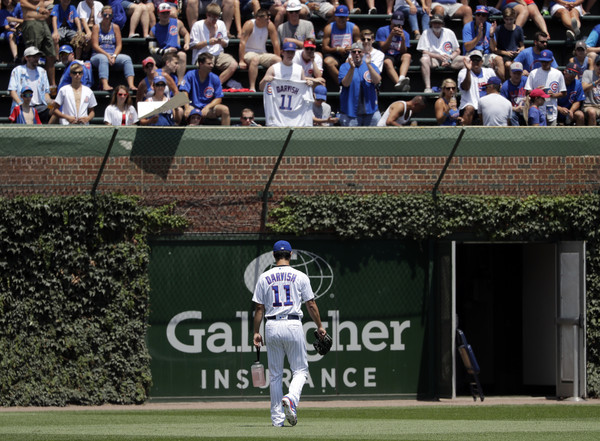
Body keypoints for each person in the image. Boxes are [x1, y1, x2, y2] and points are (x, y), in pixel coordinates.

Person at [252, 240, 326, 428]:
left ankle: (277, 420)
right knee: (300, 370)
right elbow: (311, 304)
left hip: (272, 325)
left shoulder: (264, 277)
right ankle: (291, 398)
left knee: (275, 375)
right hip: (293, 324)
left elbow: (259, 308)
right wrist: (319, 326)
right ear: (291, 254)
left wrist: (256, 332)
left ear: (274, 255)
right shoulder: (300, 275)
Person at [260, 41, 315, 127]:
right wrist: (265, 81)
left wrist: (308, 83)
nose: (290, 54)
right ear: (282, 52)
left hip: (295, 114)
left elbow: (304, 88)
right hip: (277, 113)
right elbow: (261, 87)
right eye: (288, 52)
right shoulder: (274, 68)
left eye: (292, 52)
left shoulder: (299, 69)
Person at [189, 3, 239, 88]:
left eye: (217, 18)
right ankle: (203, 87)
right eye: (213, 18)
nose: (215, 20)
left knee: (233, 64)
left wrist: (221, 42)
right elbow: (193, 45)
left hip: (218, 53)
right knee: (205, 65)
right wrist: (208, 42)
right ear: (207, 15)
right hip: (203, 53)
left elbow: (225, 43)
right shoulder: (197, 25)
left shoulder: (221, 24)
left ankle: (215, 85)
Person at [90, 5, 137, 92]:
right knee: (103, 59)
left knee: (127, 59)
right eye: (105, 15)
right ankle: (105, 84)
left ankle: (131, 85)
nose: (107, 17)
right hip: (98, 55)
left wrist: (114, 56)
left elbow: (119, 45)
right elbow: (95, 45)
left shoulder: (115, 27)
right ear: (101, 15)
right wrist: (107, 55)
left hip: (112, 54)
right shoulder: (96, 27)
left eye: (110, 15)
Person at [417, 14, 464, 93]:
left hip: (449, 58)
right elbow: (424, 51)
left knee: (467, 59)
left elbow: (457, 50)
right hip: (434, 58)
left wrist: (449, 59)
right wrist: (438, 56)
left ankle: (462, 87)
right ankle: (428, 88)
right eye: (435, 23)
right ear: (431, 24)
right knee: (424, 59)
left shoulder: (449, 32)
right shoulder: (426, 33)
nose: (437, 25)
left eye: (439, 23)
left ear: (442, 24)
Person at [180, 52, 231, 125]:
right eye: (209, 64)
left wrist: (207, 107)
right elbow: (184, 92)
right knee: (189, 112)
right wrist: (187, 107)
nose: (211, 66)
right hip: (192, 106)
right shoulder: (190, 75)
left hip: (208, 108)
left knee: (225, 110)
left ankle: (226, 135)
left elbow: (218, 98)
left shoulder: (215, 78)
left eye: (212, 63)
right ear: (201, 64)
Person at [338, 41, 381, 126]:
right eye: (354, 52)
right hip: (350, 113)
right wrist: (352, 68)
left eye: (359, 51)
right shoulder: (345, 67)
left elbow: (377, 80)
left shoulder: (371, 65)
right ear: (351, 53)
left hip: (371, 112)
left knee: (373, 138)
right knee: (352, 139)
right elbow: (345, 84)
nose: (357, 54)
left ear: (363, 52)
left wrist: (368, 65)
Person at [238, 8, 281, 91]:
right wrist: (241, 60)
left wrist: (278, 56)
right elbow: (242, 42)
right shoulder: (249, 24)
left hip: (262, 53)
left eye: (269, 18)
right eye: (266, 19)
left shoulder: (269, 25)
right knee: (255, 59)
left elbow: (275, 42)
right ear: (258, 18)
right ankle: (252, 87)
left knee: (278, 60)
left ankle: (268, 83)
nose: (268, 21)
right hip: (249, 52)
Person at [8, 46, 54, 123]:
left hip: (40, 107)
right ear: (26, 58)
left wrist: (51, 103)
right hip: (23, 106)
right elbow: (12, 92)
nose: (37, 58)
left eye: (38, 56)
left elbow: (46, 93)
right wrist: (21, 105)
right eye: (34, 56)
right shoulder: (17, 70)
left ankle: (48, 131)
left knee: (56, 111)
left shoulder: (42, 72)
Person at [149, 3, 190, 84]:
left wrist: (187, 43)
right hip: (163, 53)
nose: (165, 15)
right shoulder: (154, 29)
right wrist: (166, 51)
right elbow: (151, 48)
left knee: (182, 55)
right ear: (158, 13)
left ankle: (179, 83)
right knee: (150, 61)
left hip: (176, 51)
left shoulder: (177, 23)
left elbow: (186, 34)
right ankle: (156, 82)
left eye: (167, 12)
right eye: (163, 13)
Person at [20, 0, 57, 89]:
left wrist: (47, 7)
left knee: (51, 54)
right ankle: (30, 84)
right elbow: (22, 2)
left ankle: (52, 85)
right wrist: (37, 8)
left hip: (44, 23)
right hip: (31, 22)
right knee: (32, 55)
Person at [524, 49, 566, 126]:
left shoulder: (558, 74)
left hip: (551, 108)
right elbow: (527, 91)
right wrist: (537, 91)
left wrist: (553, 95)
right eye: (543, 61)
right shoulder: (533, 73)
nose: (544, 63)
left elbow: (563, 93)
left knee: (551, 135)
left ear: (551, 60)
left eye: (547, 61)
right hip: (537, 109)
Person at [463, 5, 504, 81]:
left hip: (485, 54)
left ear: (486, 17)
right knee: (469, 60)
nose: (481, 17)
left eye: (484, 15)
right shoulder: (468, 26)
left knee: (499, 59)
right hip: (472, 54)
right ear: (475, 16)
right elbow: (467, 47)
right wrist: (478, 36)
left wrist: (491, 35)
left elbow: (493, 48)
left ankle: (501, 85)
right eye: (478, 14)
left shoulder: (489, 26)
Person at [322, 5, 360, 85]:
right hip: (334, 54)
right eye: (339, 17)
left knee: (356, 60)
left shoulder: (354, 28)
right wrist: (337, 49)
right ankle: (341, 83)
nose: (341, 19)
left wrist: (352, 47)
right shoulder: (329, 28)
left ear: (347, 17)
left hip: (349, 54)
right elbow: (324, 48)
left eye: (343, 17)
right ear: (335, 17)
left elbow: (359, 45)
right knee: (328, 62)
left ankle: (352, 83)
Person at [457, 49, 497, 125]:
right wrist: (468, 71)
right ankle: (463, 134)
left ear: (482, 62)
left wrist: (496, 70)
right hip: (470, 104)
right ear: (470, 61)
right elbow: (466, 87)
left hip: (486, 105)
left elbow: (497, 88)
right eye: (473, 59)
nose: (475, 62)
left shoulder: (489, 71)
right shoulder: (463, 72)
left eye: (478, 59)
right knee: (469, 108)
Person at [376, 11, 412, 91]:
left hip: (398, 55)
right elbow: (383, 48)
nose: (396, 25)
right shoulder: (382, 30)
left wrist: (403, 39)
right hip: (386, 54)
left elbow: (403, 51)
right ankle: (399, 83)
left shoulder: (405, 34)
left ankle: (402, 78)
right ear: (391, 20)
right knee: (387, 62)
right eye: (395, 23)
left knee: (407, 56)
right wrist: (391, 36)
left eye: (399, 23)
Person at [492, 7, 524, 74]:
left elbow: (522, 46)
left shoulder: (518, 29)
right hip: (504, 54)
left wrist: (519, 50)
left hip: (515, 54)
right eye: (507, 19)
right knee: (508, 64)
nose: (509, 22)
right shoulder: (499, 29)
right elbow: (495, 49)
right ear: (503, 19)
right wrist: (506, 53)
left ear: (514, 18)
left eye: (511, 19)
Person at [500, 61, 527, 126]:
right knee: (511, 114)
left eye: (519, 73)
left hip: (526, 108)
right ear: (510, 73)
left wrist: (527, 101)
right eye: (515, 73)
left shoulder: (526, 80)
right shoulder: (505, 86)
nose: (517, 76)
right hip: (514, 109)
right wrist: (515, 109)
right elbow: (503, 105)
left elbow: (531, 94)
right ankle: (517, 132)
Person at [582, 57, 600, 125]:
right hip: (589, 105)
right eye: (598, 64)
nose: (599, 67)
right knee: (592, 112)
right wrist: (596, 82)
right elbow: (583, 88)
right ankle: (593, 135)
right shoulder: (587, 73)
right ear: (594, 65)